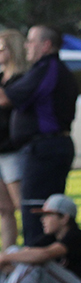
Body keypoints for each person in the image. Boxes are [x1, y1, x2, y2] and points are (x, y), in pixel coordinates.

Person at [0, 25, 79, 246]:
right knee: (38, 209)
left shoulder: (48, 68)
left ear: (46, 45)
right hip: (44, 148)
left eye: (31, 41)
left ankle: (39, 262)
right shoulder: (45, 69)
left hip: (46, 149)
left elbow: (7, 97)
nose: (27, 45)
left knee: (36, 211)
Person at [0, 29, 28, 250]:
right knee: (4, 208)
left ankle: (30, 252)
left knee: (21, 204)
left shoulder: (21, 79)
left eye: (2, 48)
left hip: (12, 149)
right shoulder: (2, 77)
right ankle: (7, 259)